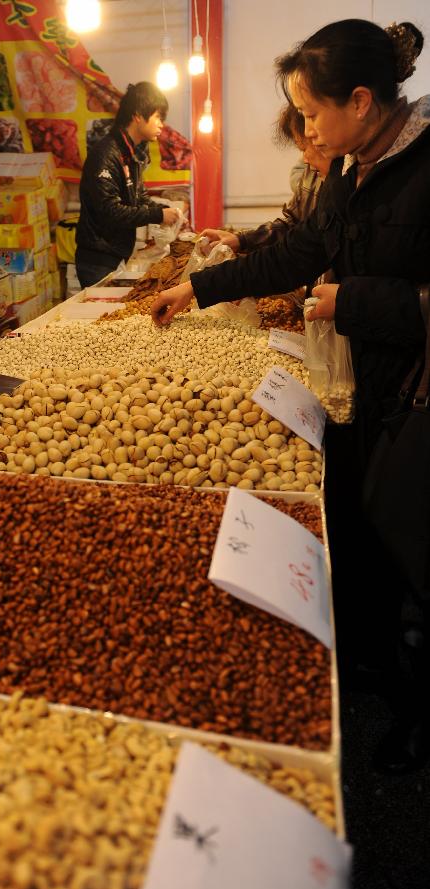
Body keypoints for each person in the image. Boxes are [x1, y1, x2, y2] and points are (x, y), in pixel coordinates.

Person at [151, 20, 430, 773]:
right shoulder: (349, 166)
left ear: (363, 102)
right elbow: (301, 250)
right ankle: (369, 666)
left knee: (404, 529)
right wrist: (198, 288)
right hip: (356, 388)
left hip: (415, 398)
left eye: (310, 114)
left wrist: (354, 301)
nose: (304, 130)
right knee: (363, 528)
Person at [75, 81, 181, 288]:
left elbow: (139, 198)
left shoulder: (134, 153)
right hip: (97, 259)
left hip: (116, 255)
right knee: (101, 318)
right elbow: (110, 211)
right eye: (158, 117)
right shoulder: (106, 154)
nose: (161, 124)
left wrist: (166, 212)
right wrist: (158, 216)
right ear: (138, 115)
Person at [200, 103, 330, 257]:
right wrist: (241, 240)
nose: (305, 159)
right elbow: (292, 224)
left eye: (304, 148)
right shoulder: (310, 174)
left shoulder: (349, 183)